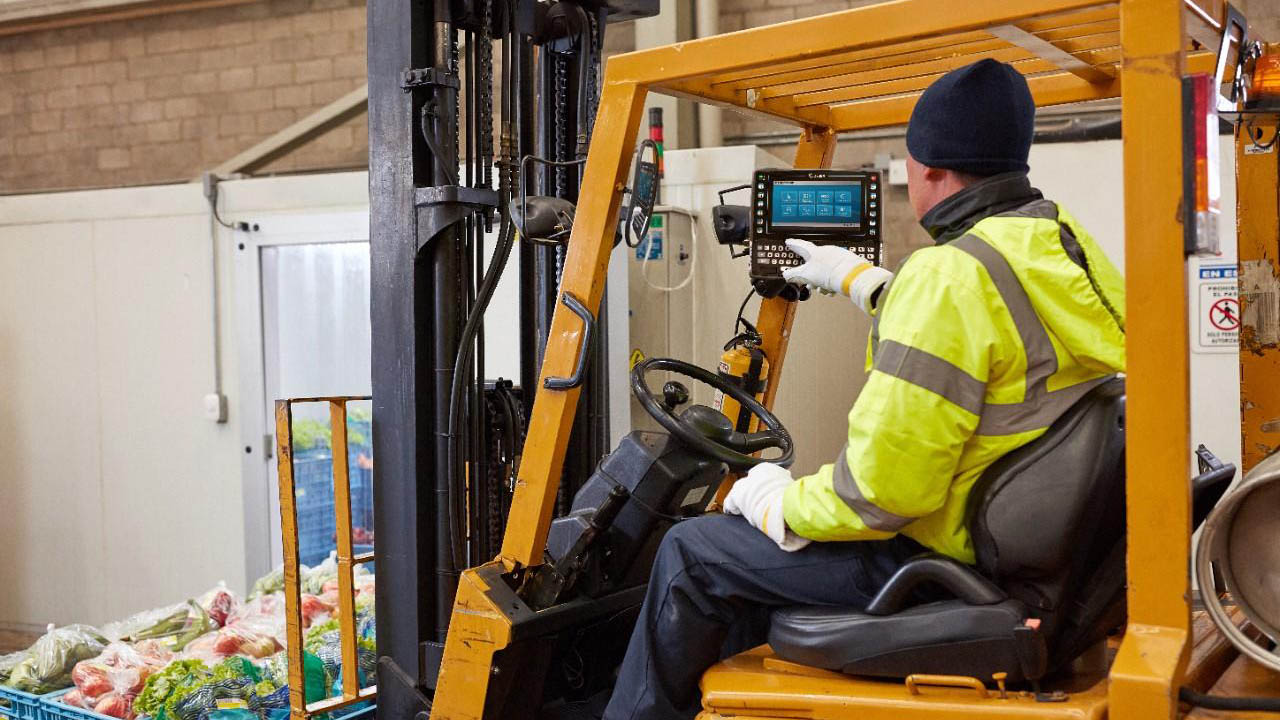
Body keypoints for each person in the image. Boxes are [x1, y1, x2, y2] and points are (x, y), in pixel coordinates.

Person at [602, 58, 1127, 720]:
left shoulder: (948, 278)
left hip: (942, 557)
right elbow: (1010, 344)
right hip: (1028, 550)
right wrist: (866, 282)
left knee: (694, 551)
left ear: (929, 165)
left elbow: (880, 495)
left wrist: (782, 505)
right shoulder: (1058, 241)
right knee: (739, 560)